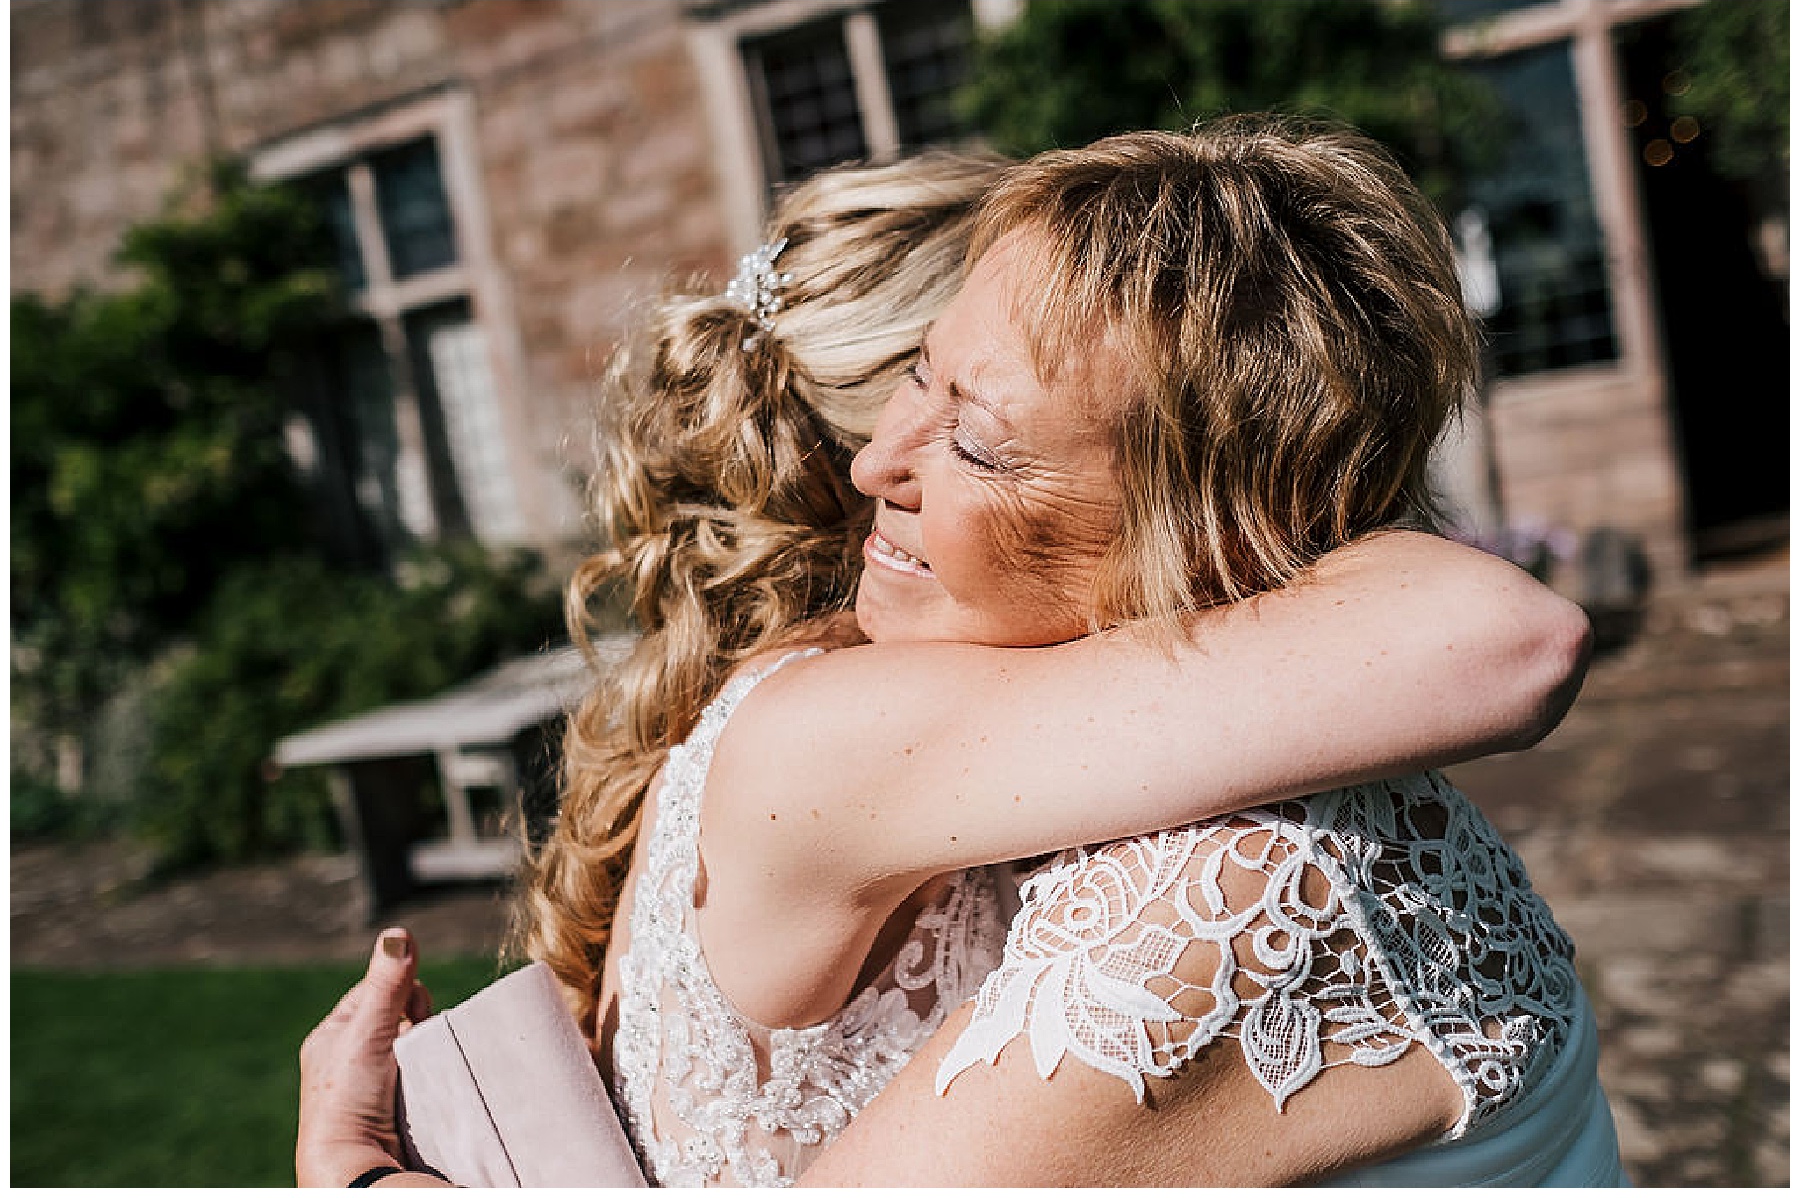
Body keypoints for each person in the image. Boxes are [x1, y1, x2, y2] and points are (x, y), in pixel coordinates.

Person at [299, 125, 1603, 1187]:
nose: (880, 461)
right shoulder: (850, 727)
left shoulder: (1144, 821)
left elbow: (1500, 635)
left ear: (1204, 531)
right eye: (916, 380)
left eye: (977, 439)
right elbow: (1499, 634)